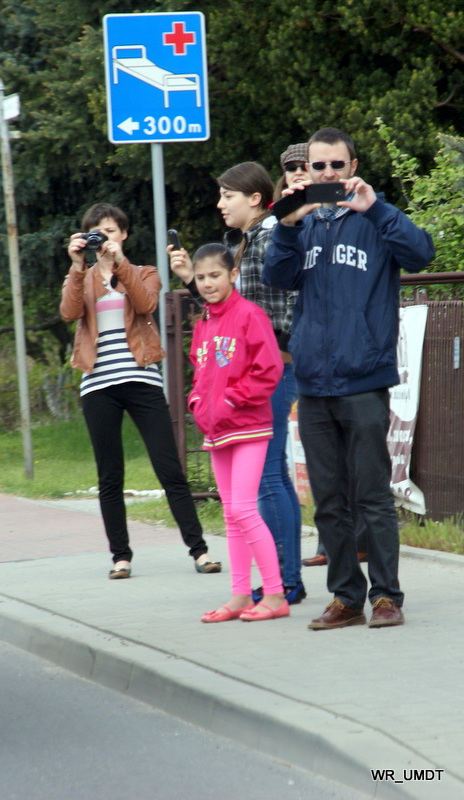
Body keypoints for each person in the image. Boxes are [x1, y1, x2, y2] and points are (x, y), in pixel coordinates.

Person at [262, 127, 435, 629]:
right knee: (329, 501)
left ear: (353, 167)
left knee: (373, 496)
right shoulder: (301, 224)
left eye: (337, 165)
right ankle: (345, 598)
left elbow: (421, 253)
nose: (328, 174)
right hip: (314, 382)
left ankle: (386, 597)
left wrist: (375, 208)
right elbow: (276, 278)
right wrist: (288, 224)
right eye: (318, 167)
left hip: (363, 379)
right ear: (307, 171)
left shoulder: (375, 218)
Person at [59, 202, 221, 579]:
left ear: (124, 234)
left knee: (169, 469)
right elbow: (69, 312)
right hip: (98, 385)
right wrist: (76, 265)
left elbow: (147, 302)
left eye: (111, 231)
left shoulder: (144, 272)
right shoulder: (82, 276)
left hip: (142, 380)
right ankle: (121, 557)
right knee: (110, 475)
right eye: (98, 232)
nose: (104, 239)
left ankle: (199, 551)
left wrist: (120, 263)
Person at [169, 161, 305, 605]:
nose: (220, 203)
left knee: (267, 479)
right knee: (272, 478)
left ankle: (282, 582)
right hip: (256, 370)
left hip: (271, 366)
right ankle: (284, 578)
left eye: (228, 195)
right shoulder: (242, 240)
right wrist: (192, 279)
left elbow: (256, 311)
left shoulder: (270, 236)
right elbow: (225, 309)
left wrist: (231, 395)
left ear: (255, 198)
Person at [188, 243, 289, 623]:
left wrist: (231, 400)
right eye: (201, 277)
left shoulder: (250, 315)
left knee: (244, 509)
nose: (207, 283)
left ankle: (275, 595)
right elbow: (199, 370)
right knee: (231, 514)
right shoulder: (203, 322)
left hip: (248, 426)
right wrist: (197, 402)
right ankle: (240, 595)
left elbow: (269, 368)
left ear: (233, 275)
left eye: (215, 275)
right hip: (217, 430)